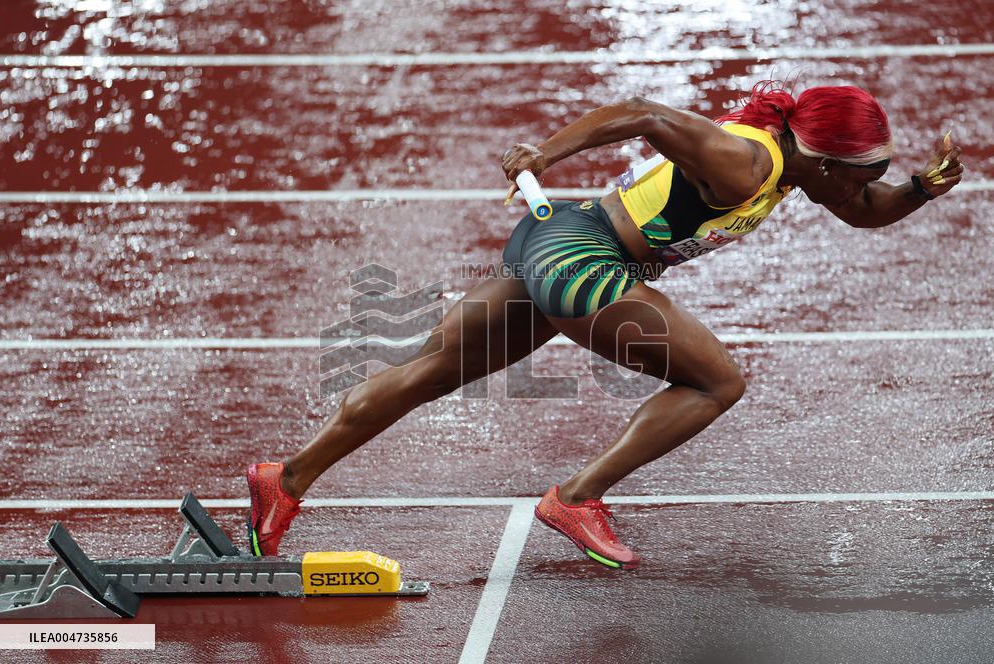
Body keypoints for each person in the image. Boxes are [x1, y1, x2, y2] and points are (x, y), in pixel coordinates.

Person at [246, 81, 964, 569]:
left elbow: (867, 210)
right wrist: (545, 154)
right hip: (579, 258)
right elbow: (642, 111)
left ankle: (284, 479)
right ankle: (577, 498)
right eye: (859, 171)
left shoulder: (803, 171)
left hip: (553, 242)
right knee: (717, 382)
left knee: (428, 374)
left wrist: (925, 188)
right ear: (820, 158)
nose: (863, 184)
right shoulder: (747, 162)